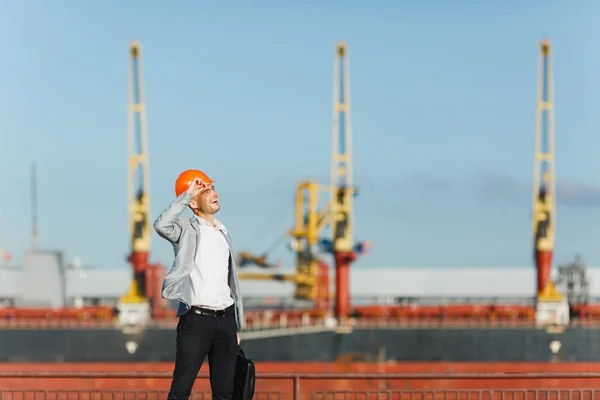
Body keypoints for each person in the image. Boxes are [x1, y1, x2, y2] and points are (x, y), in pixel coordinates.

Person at [153, 169, 245, 400]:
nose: (214, 193)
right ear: (194, 201)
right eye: (206, 190)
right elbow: (161, 225)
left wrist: (235, 327)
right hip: (196, 321)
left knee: (225, 394)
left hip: (225, 321)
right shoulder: (185, 229)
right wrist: (187, 195)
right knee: (180, 391)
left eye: (213, 188)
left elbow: (229, 283)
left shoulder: (224, 233)